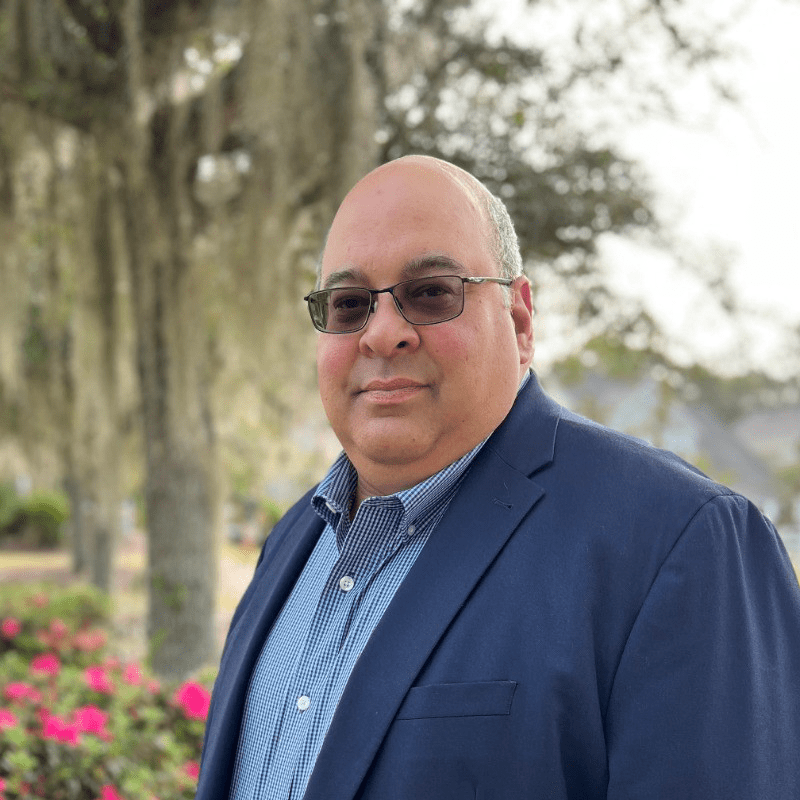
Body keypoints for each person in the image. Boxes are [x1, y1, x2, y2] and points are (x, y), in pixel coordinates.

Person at [196, 156, 800, 800]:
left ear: (519, 321)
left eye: (431, 293)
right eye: (349, 305)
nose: (382, 334)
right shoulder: (291, 542)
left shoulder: (681, 543)